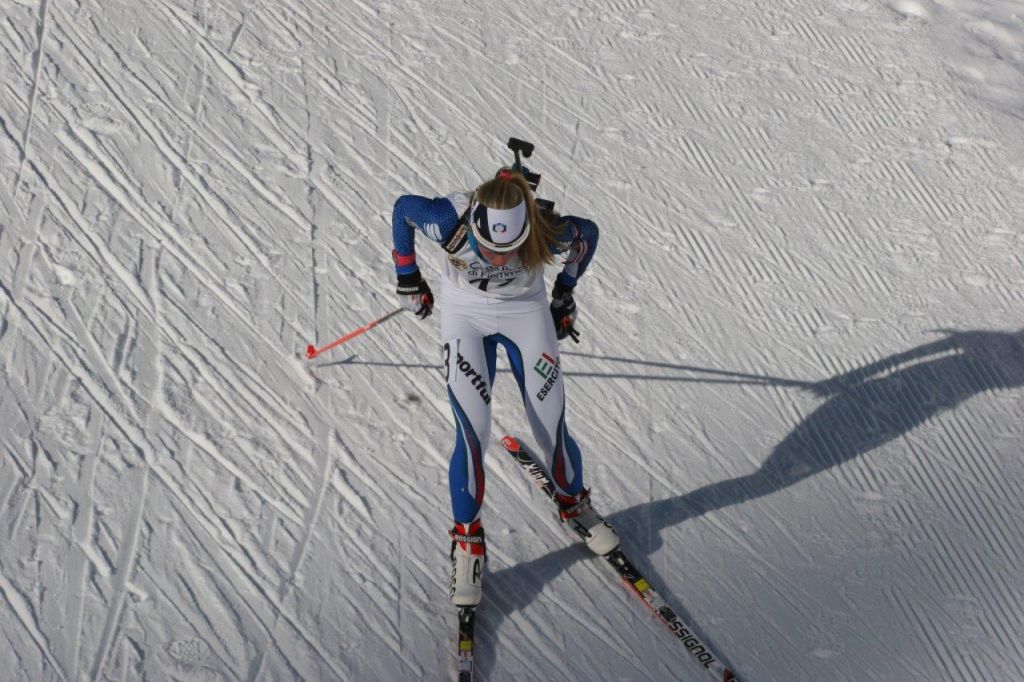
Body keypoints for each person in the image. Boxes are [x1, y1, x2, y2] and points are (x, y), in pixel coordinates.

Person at [390, 166, 619, 607]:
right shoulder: (447, 220)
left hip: (524, 316)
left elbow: (587, 235)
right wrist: (407, 277)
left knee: (551, 425)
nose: (498, 260)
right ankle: (468, 543)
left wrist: (564, 293)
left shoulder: (546, 230)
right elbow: (402, 211)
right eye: (490, 249)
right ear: (475, 224)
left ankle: (574, 503)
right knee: (472, 433)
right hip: (465, 318)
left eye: (510, 250)